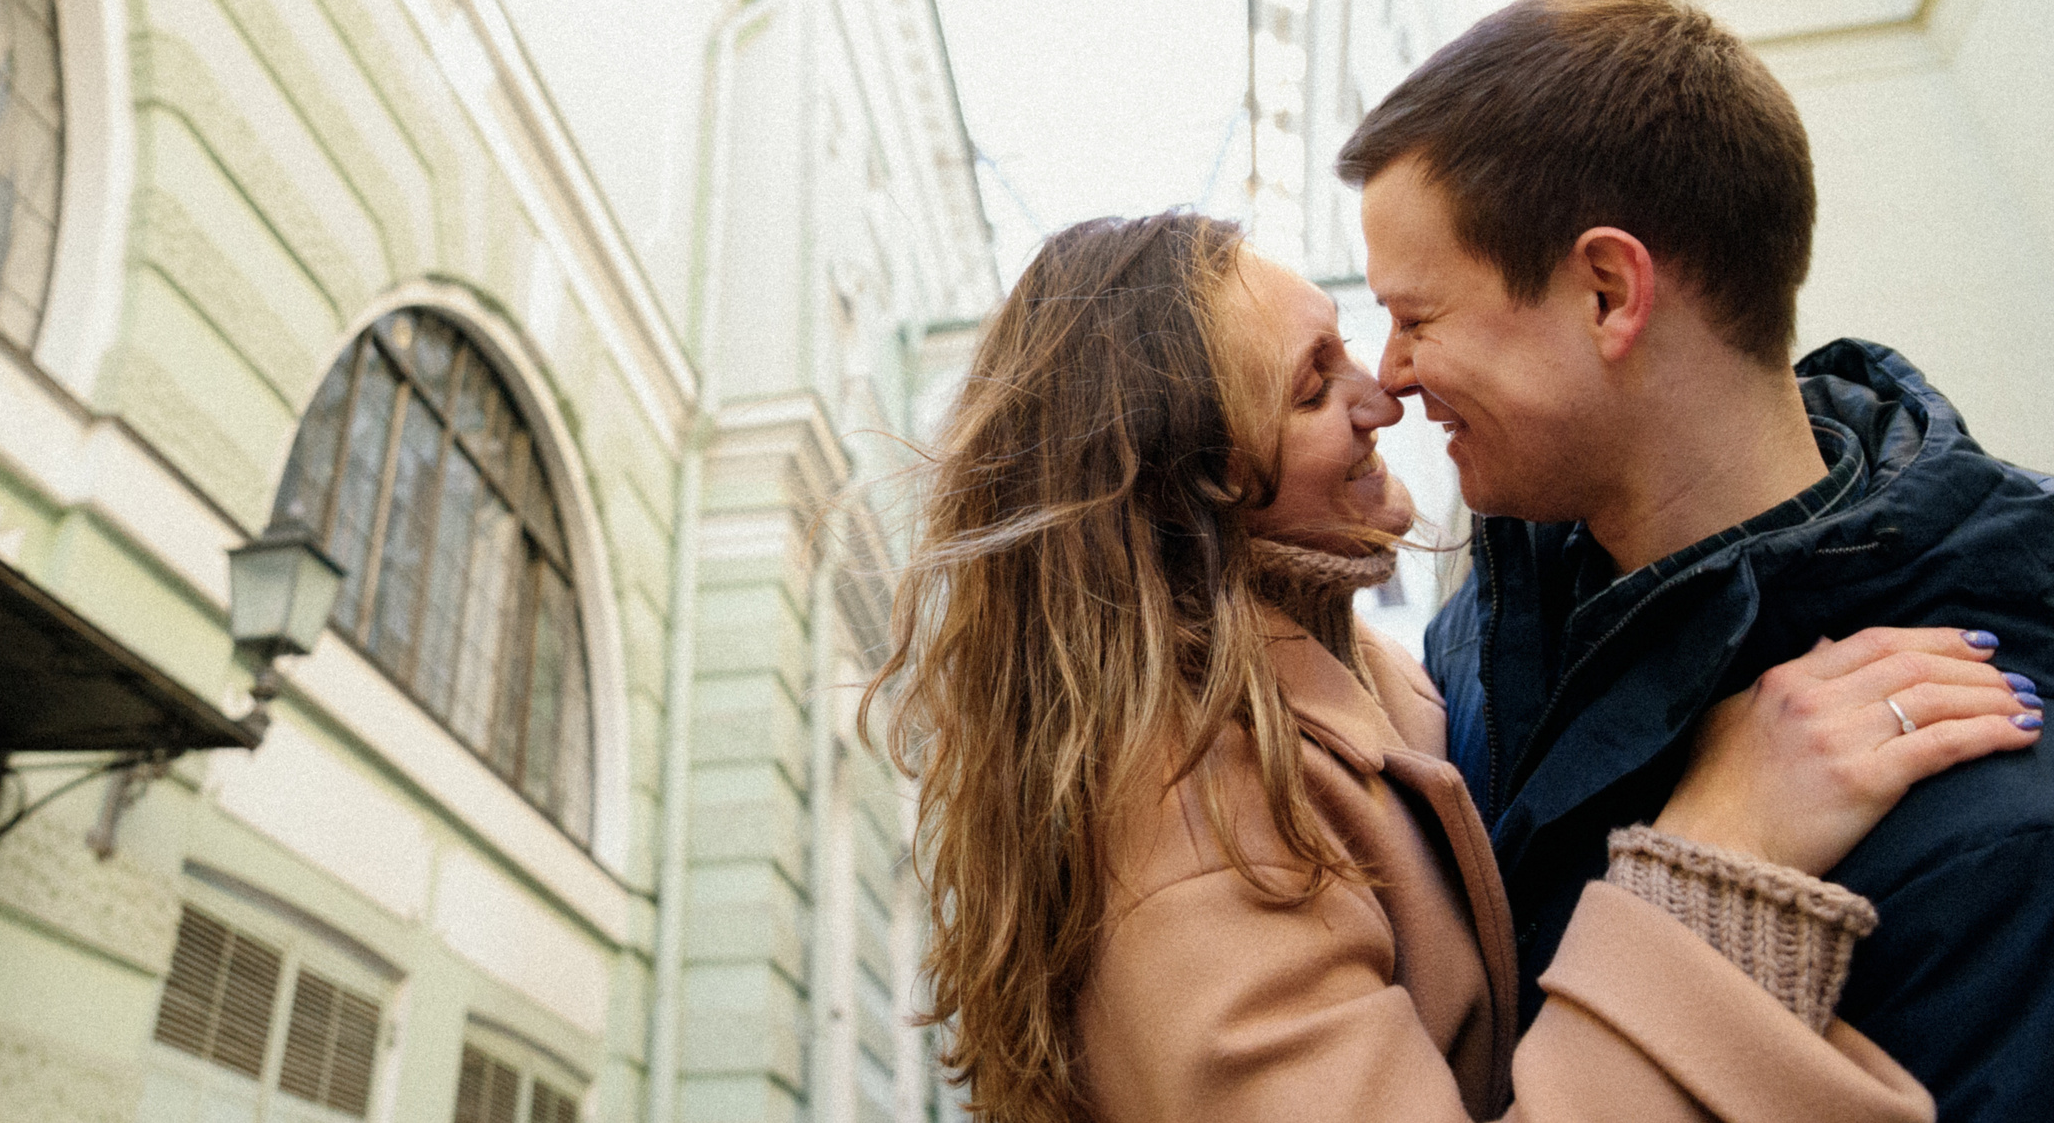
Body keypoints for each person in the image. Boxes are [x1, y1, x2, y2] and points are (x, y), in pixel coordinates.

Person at [867, 210, 2037, 1123]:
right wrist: (1718, 852)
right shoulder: (1187, 815)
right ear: (1193, 488)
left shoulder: (1369, 678)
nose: (1385, 395)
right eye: (1315, 382)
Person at [1337, 0, 2054, 1123]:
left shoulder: (1991, 793)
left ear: (1608, 291)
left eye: (1415, 315)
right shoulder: (1480, 628)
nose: (1389, 375)